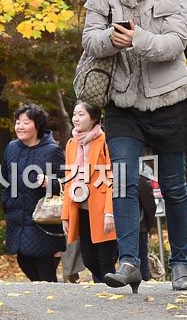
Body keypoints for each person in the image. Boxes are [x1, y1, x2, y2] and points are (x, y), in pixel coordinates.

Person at [82, 0, 187, 292]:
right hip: (122, 101)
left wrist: (137, 39)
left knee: (174, 186)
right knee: (123, 180)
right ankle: (130, 261)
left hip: (170, 100)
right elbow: (89, 39)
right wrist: (110, 39)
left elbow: (176, 43)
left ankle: (179, 262)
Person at [2, 103, 66, 282]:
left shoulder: (52, 150)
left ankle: (53, 297)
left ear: (37, 125)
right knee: (23, 260)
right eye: (17, 122)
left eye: (25, 122)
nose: (20, 127)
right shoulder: (11, 148)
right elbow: (4, 179)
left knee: (43, 265)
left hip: (43, 218)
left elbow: (66, 182)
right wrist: (6, 202)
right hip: (17, 217)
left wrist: (51, 183)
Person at [61, 101, 118, 282]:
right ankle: (102, 287)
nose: (76, 119)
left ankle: (107, 291)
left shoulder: (104, 141)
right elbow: (69, 179)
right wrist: (65, 215)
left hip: (102, 208)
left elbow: (111, 177)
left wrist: (109, 212)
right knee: (89, 259)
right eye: (74, 114)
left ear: (93, 119)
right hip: (81, 207)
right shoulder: (72, 144)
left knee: (105, 259)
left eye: (81, 114)